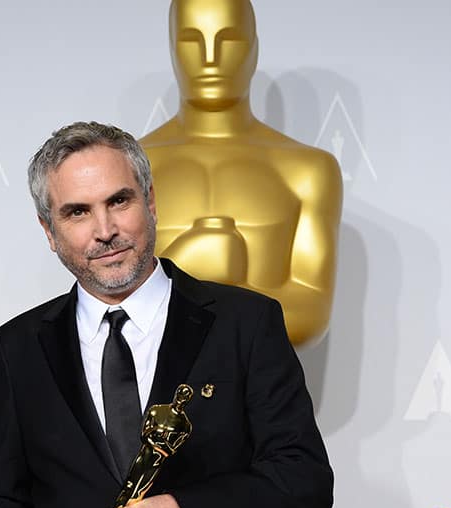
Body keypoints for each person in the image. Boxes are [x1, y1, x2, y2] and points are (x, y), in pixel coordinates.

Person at [0, 121, 332, 508]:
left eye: (119, 201)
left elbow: (303, 479)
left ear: (151, 202)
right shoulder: (18, 344)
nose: (105, 229)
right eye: (77, 212)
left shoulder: (245, 323)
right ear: (49, 232)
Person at [142, 0, 342, 348]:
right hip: (146, 398)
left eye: (228, 40)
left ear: (254, 47)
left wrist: (197, 286)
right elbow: (108, 309)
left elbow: (311, 315)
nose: (209, 58)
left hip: (261, 397)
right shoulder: (132, 168)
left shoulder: (307, 170)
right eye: (192, 40)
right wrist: (191, 266)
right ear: (172, 48)